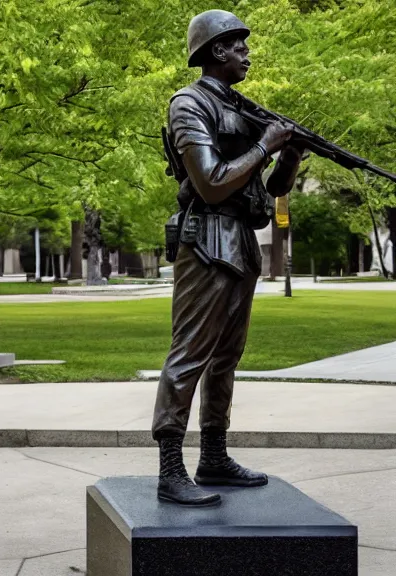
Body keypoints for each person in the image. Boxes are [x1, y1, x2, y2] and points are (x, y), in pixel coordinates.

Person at [152, 9, 304, 506]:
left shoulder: (240, 105)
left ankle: (213, 456)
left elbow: (272, 189)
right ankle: (170, 470)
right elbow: (212, 183)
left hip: (240, 241)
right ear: (216, 50)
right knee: (190, 353)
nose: (247, 53)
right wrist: (265, 143)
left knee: (227, 357)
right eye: (239, 45)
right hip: (206, 240)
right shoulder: (187, 104)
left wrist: (290, 154)